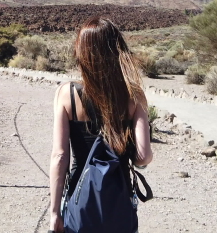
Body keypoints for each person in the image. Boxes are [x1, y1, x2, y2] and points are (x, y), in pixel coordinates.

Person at [48, 17, 154, 232]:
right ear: (118, 50)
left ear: (82, 53)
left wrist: (54, 212)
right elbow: (143, 157)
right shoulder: (134, 95)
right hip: (118, 199)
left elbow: (60, 156)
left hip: (80, 198)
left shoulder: (66, 93)